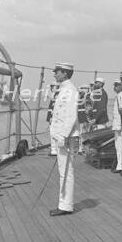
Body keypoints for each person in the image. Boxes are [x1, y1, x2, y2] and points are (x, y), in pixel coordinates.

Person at [49, 62, 79, 216]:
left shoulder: (70, 91)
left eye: (57, 72)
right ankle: (64, 203)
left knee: (66, 171)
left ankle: (66, 205)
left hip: (65, 137)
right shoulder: (64, 90)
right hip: (61, 136)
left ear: (65, 73)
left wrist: (63, 136)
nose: (55, 74)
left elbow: (71, 116)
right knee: (63, 171)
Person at [47, 83, 59, 156]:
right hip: (52, 117)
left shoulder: (57, 95)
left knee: (54, 133)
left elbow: (55, 108)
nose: (51, 88)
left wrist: (52, 118)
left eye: (52, 87)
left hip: (54, 118)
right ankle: (54, 148)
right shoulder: (53, 95)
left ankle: (54, 149)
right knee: (53, 134)